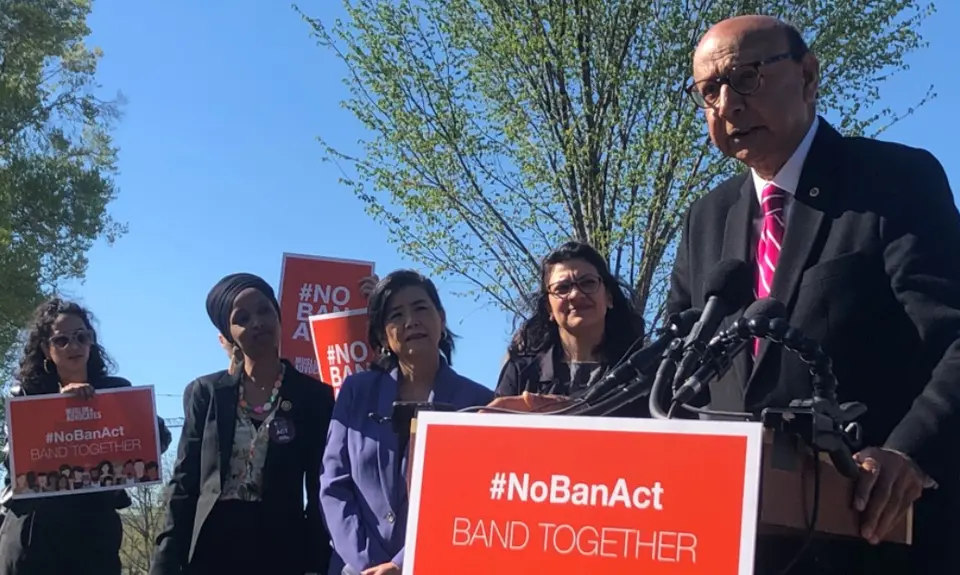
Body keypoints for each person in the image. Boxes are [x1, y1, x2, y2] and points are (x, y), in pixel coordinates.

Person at [670, 15, 960, 572]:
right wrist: (567, 417)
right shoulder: (706, 219)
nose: (726, 104)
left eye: (745, 77)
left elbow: (954, 336)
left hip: (869, 538)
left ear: (807, 76)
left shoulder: (894, 181)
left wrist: (908, 452)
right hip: (732, 543)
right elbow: (676, 375)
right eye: (709, 90)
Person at [151, 273, 335, 575]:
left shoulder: (313, 396)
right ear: (228, 332)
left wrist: (317, 561)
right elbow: (184, 484)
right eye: (243, 318)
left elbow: (319, 490)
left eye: (264, 310)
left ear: (278, 314)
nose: (257, 323)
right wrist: (165, 562)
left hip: (283, 552)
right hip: (212, 551)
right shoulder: (206, 393)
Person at [320, 270, 494, 575]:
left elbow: (473, 502)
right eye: (396, 315)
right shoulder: (356, 392)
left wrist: (403, 564)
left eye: (421, 308)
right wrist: (369, 563)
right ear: (383, 335)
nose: (410, 321)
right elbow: (333, 486)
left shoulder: (481, 402)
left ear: (441, 318)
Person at [0, 298, 172, 575]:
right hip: (34, 532)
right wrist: (57, 408)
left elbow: (157, 439)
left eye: (82, 337)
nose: (74, 346)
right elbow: (16, 464)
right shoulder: (24, 396)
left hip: (94, 531)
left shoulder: (116, 392)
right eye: (62, 340)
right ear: (46, 348)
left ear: (91, 342)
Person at [495, 241, 645, 406]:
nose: (575, 294)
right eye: (562, 288)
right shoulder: (520, 372)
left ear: (609, 297)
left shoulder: (643, 371)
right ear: (549, 308)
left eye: (588, 282)